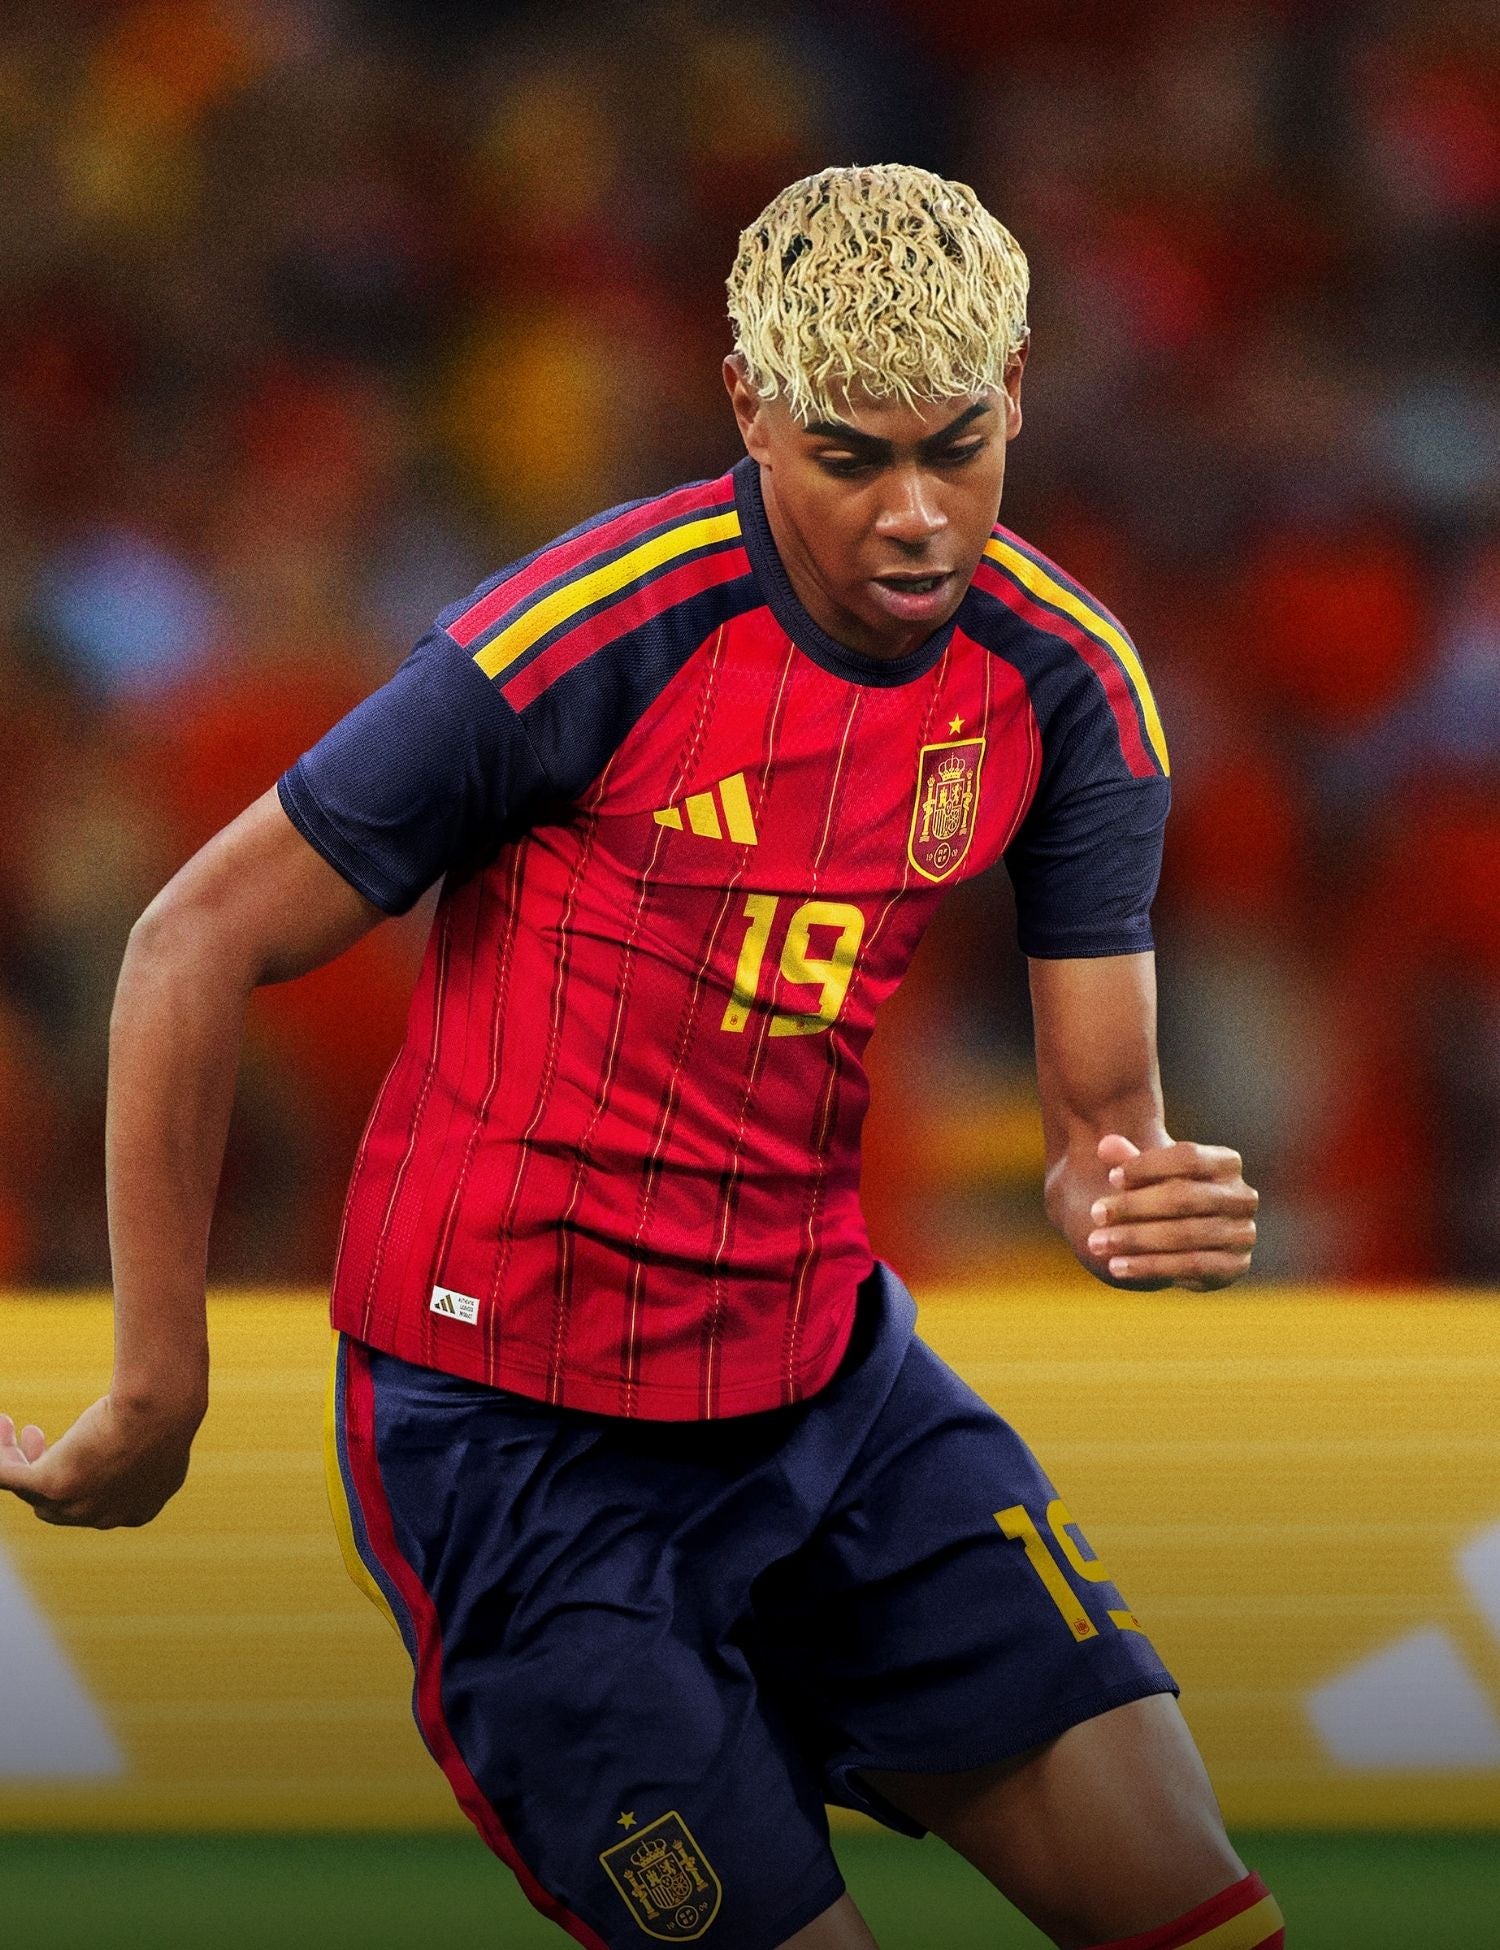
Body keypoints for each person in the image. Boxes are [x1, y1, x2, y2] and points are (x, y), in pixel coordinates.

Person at [0, 166, 1280, 1950]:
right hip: (514, 1443)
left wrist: (1125, 1192)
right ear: (749, 403)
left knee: (1201, 1909)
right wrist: (157, 1382)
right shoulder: (594, 632)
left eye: (961, 449)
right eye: (851, 458)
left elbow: (1097, 1117)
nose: (918, 518)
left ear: (1021, 393)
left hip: (830, 1391)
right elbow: (187, 941)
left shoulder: (1071, 688)